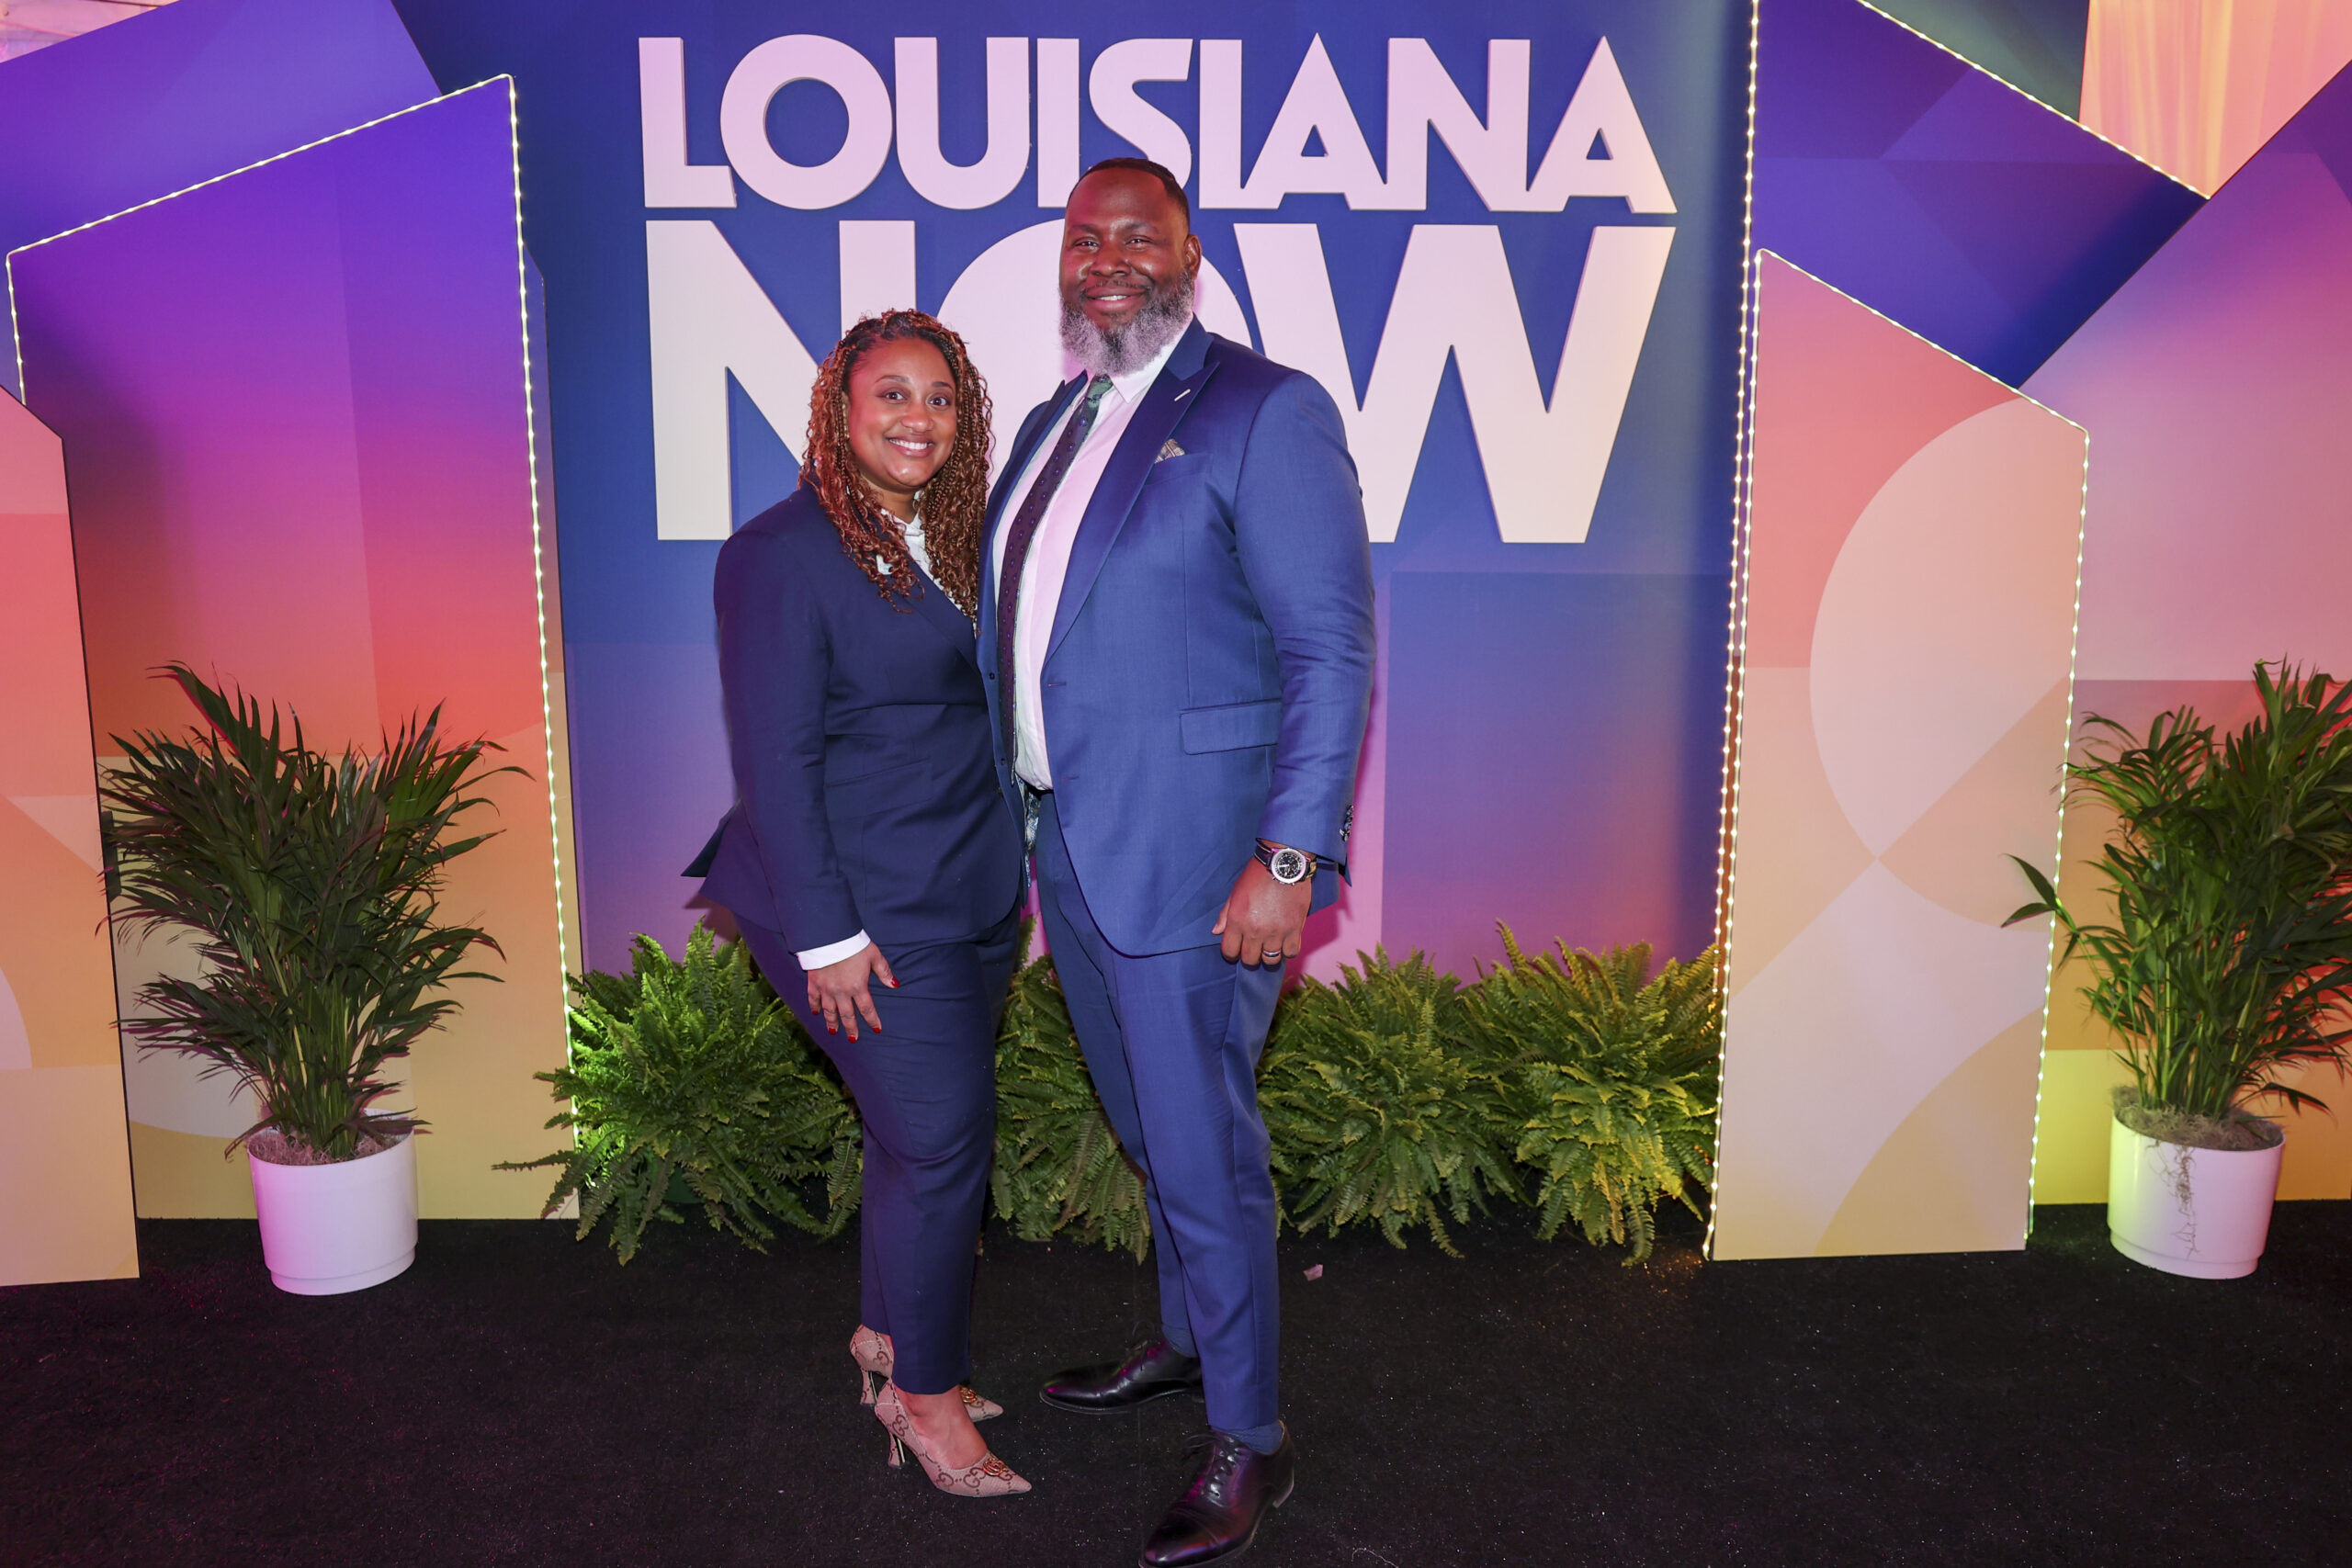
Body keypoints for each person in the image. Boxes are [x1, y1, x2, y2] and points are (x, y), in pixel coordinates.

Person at [978, 159, 1375, 1563]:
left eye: (1137, 237)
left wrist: (1291, 856)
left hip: (1202, 866)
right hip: (1070, 851)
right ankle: (1191, 1335)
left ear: (1189, 257)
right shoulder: (1054, 420)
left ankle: (1250, 1435)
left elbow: (1329, 649)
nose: (1107, 260)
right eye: (1084, 239)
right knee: (1154, 1132)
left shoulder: (1265, 410)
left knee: (1205, 1152)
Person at [693, 310, 1031, 1499]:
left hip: (968, 891)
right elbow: (774, 763)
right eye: (891, 394)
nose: (918, 419)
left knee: (910, 1142)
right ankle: (925, 1400)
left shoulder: (961, 540)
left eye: (940, 398)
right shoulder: (780, 553)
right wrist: (828, 937)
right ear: (839, 410)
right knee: (941, 1144)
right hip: (857, 911)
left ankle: (888, 1336)